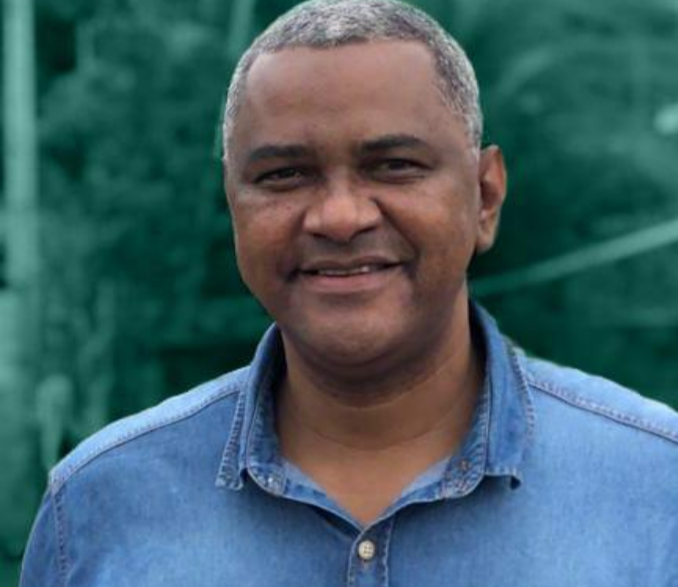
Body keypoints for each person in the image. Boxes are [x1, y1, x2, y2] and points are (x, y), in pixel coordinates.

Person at [21, 0, 678, 585]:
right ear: (233, 206)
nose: (339, 217)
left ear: (484, 197)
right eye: (285, 174)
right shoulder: (99, 509)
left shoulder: (656, 488)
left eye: (393, 165)